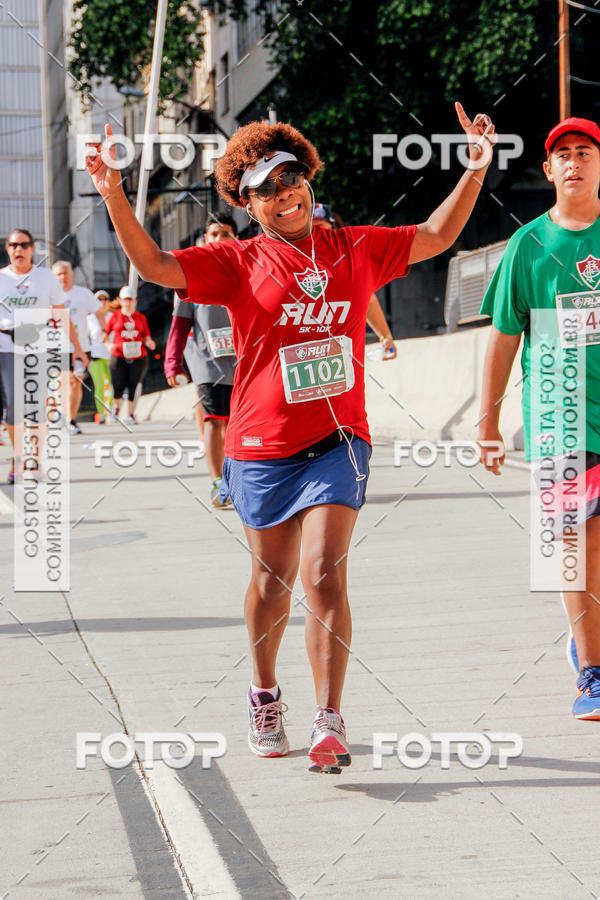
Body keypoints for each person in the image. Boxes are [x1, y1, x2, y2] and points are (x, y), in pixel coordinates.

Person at [86, 103, 496, 771]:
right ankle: (264, 692)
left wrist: (474, 169)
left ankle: (329, 718)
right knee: (271, 582)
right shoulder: (237, 262)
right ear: (249, 206)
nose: (283, 197)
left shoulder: (354, 247)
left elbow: (433, 233)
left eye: (289, 181)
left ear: (306, 179)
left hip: (338, 442)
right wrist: (111, 194)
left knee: (322, 575)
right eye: (266, 192)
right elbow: (157, 264)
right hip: (261, 447)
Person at [478, 116, 600, 721]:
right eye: (564, 155)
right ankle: (592, 670)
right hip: (561, 408)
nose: (574, 162)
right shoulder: (527, 245)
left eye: (586, 152)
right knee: (576, 544)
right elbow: (502, 340)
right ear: (548, 171)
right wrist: (487, 422)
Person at [1, 230, 87, 482]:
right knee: (14, 407)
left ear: (32, 249)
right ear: (8, 249)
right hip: (6, 346)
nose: (19, 249)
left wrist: (77, 348)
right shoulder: (1, 278)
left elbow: (61, 315)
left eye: (24, 245)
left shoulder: (45, 277)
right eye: (14, 245)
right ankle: (17, 461)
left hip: (38, 347)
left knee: (37, 406)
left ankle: (35, 461)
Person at [165, 212, 238, 507]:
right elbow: (179, 325)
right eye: (214, 234)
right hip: (207, 360)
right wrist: (172, 362)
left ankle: (238, 478)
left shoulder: (247, 269)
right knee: (214, 421)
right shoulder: (190, 276)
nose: (220, 239)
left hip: (243, 362)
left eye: (226, 233)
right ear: (205, 240)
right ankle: (217, 482)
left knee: (237, 425)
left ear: (236, 238)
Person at [313, 202, 397, 358]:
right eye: (312, 228)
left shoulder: (345, 262)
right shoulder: (287, 259)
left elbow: (368, 299)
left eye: (321, 227)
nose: (317, 234)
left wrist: (385, 337)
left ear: (333, 229)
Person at [53, 261, 105, 435]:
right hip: (57, 347)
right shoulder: (48, 296)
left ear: (71, 274)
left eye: (65, 272)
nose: (62, 277)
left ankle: (71, 420)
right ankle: (63, 415)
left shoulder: (83, 294)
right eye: (59, 274)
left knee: (76, 383)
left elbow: (99, 312)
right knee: (64, 383)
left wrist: (104, 330)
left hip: (81, 347)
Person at [107, 286, 156, 424]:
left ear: (135, 301)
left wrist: (149, 342)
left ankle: (131, 414)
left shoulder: (140, 317)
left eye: (130, 300)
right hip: (119, 355)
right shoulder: (115, 317)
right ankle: (116, 409)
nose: (128, 303)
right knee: (118, 384)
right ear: (121, 301)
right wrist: (108, 345)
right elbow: (104, 334)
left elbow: (146, 335)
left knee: (134, 384)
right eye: (125, 300)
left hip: (138, 356)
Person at [88, 290, 113, 423]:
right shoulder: (89, 318)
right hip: (95, 356)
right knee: (100, 386)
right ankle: (101, 414)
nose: (102, 301)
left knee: (112, 384)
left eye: (104, 299)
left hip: (112, 355)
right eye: (99, 299)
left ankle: (111, 412)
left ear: (108, 301)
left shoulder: (113, 316)